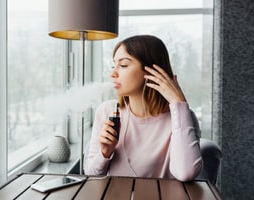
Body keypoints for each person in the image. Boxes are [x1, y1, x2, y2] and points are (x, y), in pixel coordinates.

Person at [84, 35, 203, 181]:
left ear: (152, 71)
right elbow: (90, 175)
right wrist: (105, 153)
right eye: (113, 65)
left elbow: (186, 173)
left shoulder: (181, 117)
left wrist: (178, 102)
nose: (113, 73)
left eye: (123, 65)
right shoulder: (106, 111)